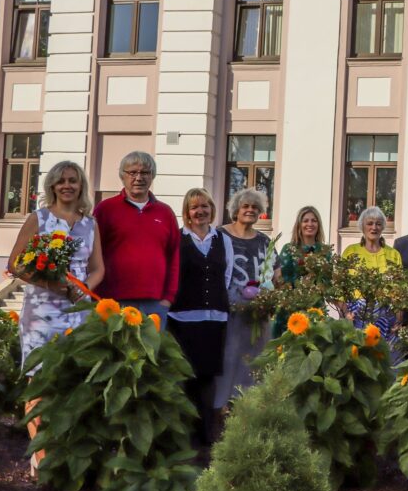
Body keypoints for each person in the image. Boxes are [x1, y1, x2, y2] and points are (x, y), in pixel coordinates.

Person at [7, 160, 104, 474]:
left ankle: (64, 453)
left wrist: (85, 288)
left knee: (70, 382)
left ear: (81, 186)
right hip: (41, 313)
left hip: (77, 313)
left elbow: (98, 268)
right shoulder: (39, 218)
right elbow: (17, 265)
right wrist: (48, 281)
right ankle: (40, 457)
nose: (67, 185)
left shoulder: (90, 224)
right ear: (52, 185)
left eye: (73, 181)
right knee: (40, 382)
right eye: (61, 180)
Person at [168, 188, 233, 446]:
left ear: (211, 210)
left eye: (205, 206)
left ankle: (206, 439)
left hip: (214, 318)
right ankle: (182, 439)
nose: (201, 211)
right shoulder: (177, 238)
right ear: (187, 212)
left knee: (208, 378)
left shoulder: (222, 239)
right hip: (182, 318)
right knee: (185, 377)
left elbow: (225, 276)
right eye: (195, 207)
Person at [213, 188, 282, 410]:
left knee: (254, 361)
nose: (250, 210)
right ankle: (222, 409)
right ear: (236, 210)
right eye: (246, 206)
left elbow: (276, 275)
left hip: (257, 314)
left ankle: (250, 408)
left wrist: (271, 298)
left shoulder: (264, 241)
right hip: (228, 311)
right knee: (227, 359)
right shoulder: (219, 236)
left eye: (255, 207)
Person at [93, 151, 179, 327]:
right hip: (113, 302)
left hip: (155, 304)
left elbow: (174, 257)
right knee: (114, 354)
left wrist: (168, 298)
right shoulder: (105, 210)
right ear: (122, 176)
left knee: (148, 354)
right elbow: (93, 253)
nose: (138, 178)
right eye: (132, 172)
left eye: (145, 172)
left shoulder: (165, 213)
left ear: (152, 176)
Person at [341, 206, 403, 347]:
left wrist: (399, 318)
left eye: (378, 223)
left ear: (383, 227)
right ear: (362, 226)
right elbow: (339, 287)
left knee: (383, 358)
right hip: (356, 315)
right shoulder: (351, 252)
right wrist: (346, 312)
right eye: (369, 223)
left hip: (386, 316)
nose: (374, 227)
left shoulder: (393, 254)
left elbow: (400, 290)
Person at [273, 206, 331, 337]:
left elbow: (328, 282)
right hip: (290, 310)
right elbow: (281, 281)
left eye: (314, 220)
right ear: (299, 225)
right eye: (305, 221)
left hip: (315, 310)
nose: (310, 224)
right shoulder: (289, 249)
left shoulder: (325, 251)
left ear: (318, 224)